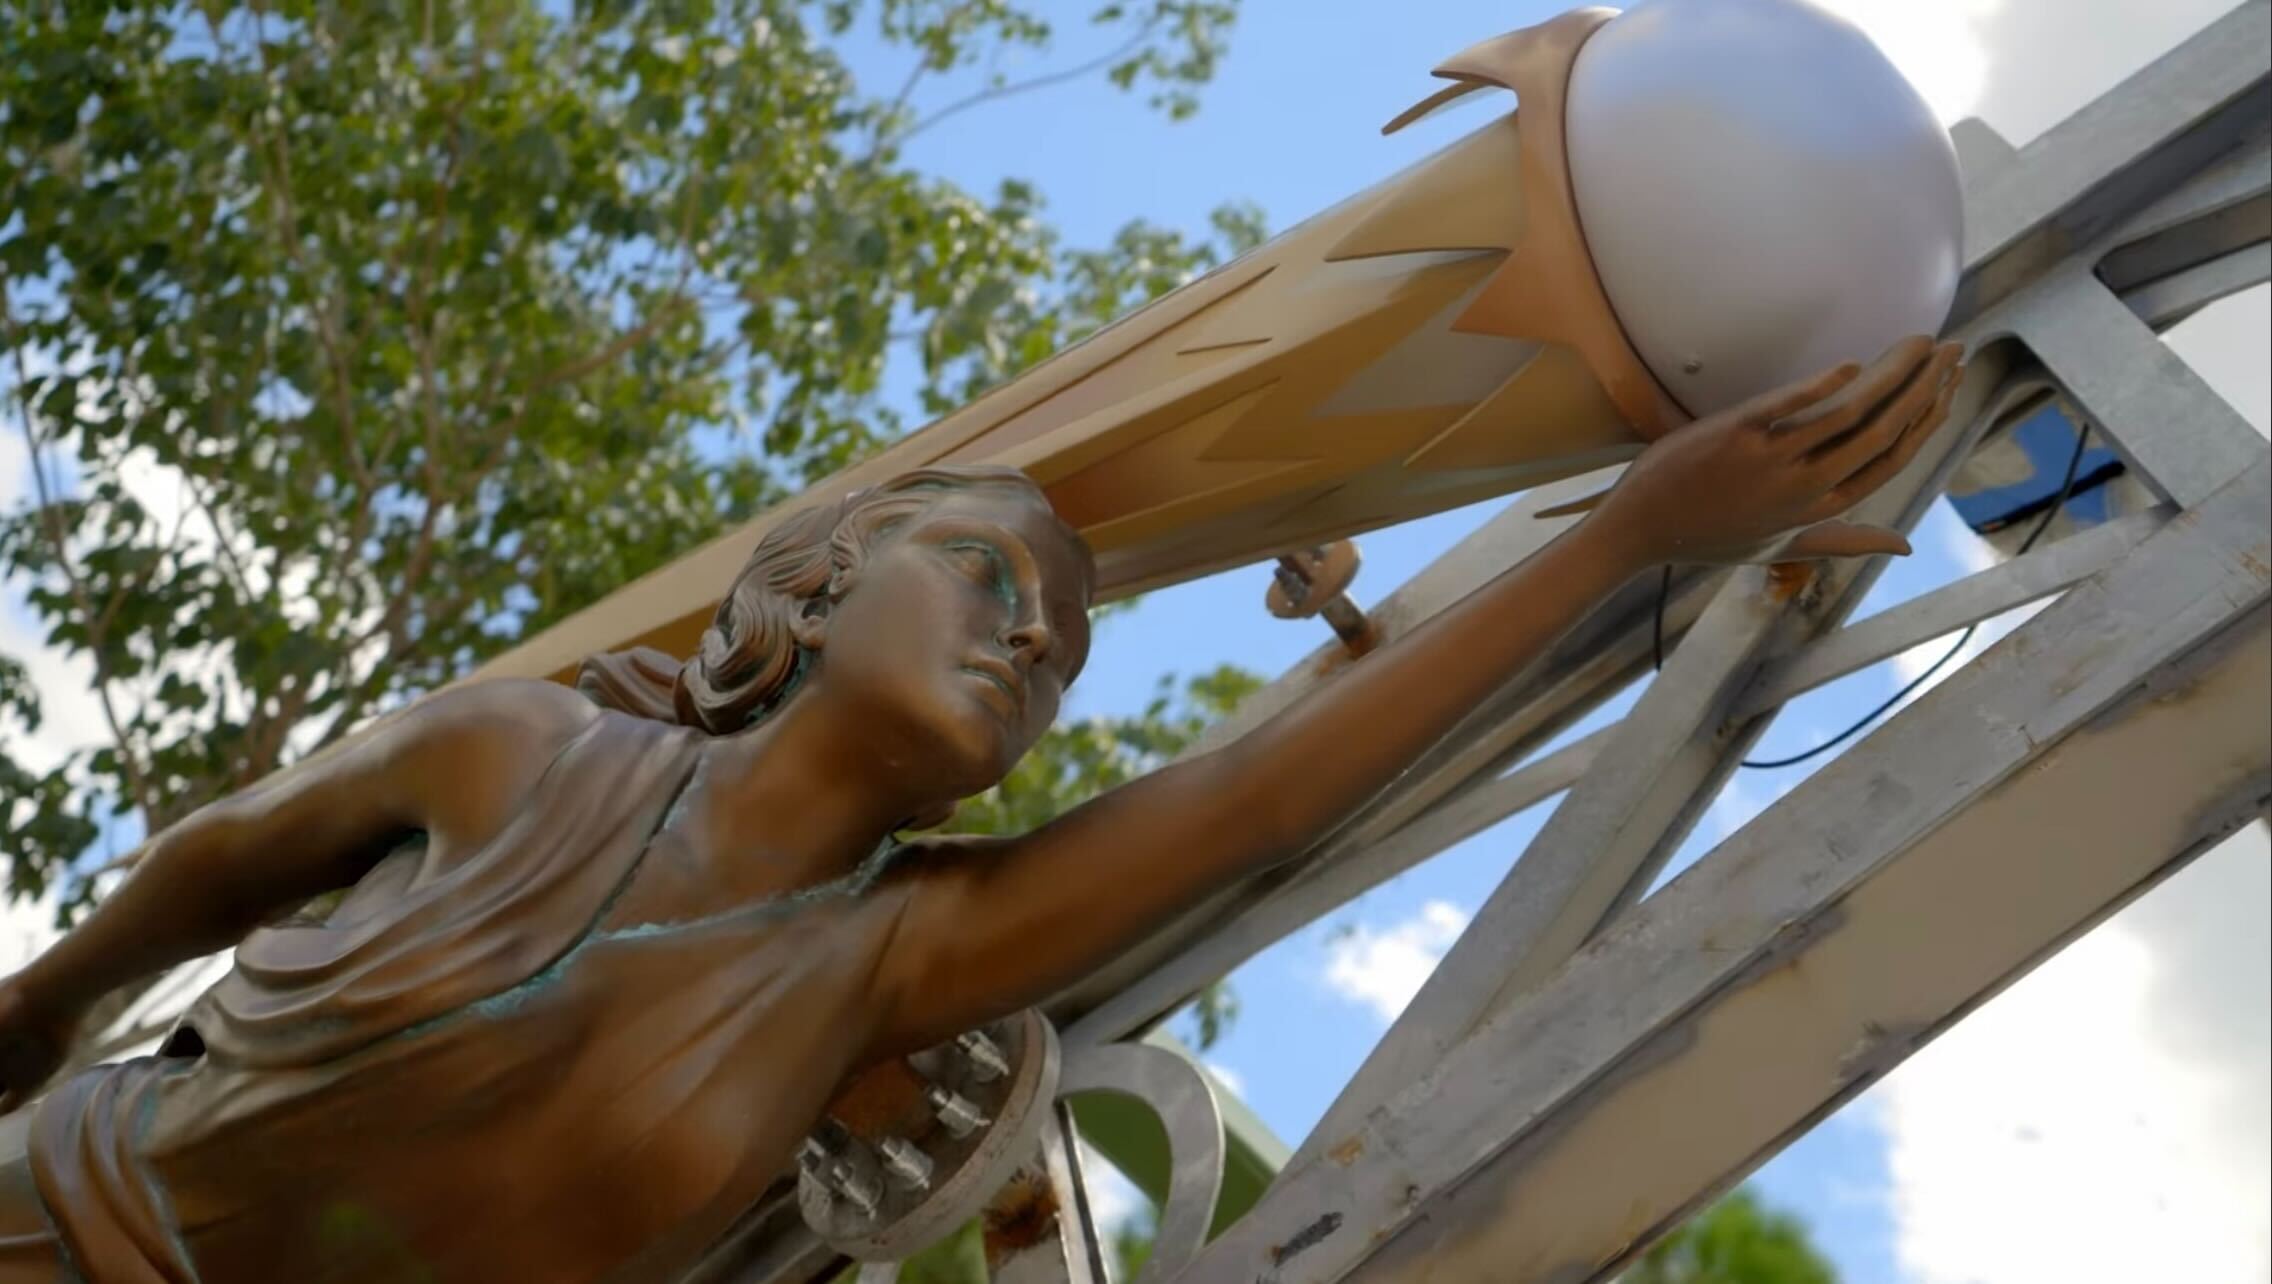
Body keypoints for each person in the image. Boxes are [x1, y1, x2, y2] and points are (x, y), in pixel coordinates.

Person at [0, 338, 1962, 1282]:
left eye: (1067, 648)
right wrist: (38, 1008)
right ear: (809, 591)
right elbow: (208, 867)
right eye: (986, 579)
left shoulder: (889, 960)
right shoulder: (520, 753)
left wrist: (1632, 531)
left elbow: (1255, 798)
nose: (1032, 640)